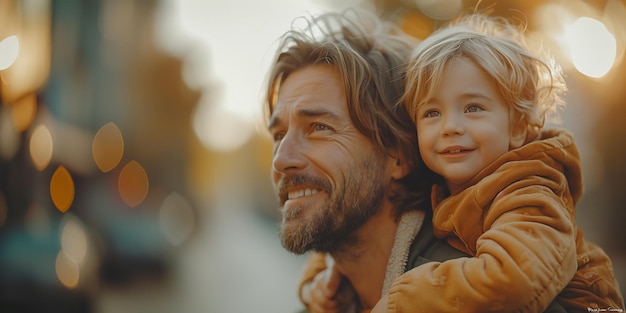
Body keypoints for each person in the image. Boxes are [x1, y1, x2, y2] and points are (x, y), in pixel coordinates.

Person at [264, 9, 569, 313]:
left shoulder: (480, 298)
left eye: (319, 128)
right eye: (278, 135)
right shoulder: (328, 297)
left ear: (399, 154)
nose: (281, 159)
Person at [369, 13, 623, 312]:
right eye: (432, 113)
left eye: (473, 107)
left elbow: (514, 279)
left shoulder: (527, 190)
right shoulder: (443, 182)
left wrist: (406, 300)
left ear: (517, 127)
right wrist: (328, 271)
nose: (450, 126)